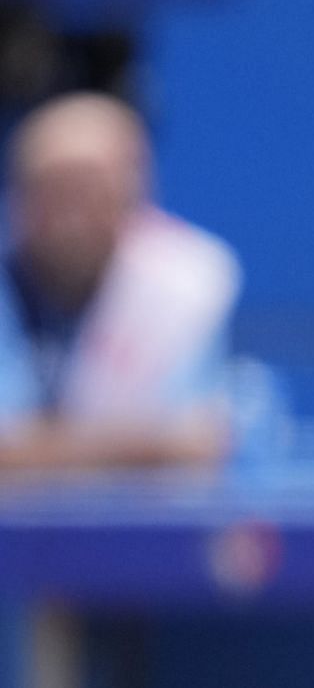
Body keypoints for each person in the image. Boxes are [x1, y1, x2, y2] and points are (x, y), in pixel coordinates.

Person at [0, 94, 240, 471]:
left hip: (142, 529)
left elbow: (198, 448)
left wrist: (39, 449)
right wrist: (139, 448)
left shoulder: (186, 283)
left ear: (134, 196)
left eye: (90, 192)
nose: (70, 219)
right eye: (51, 192)